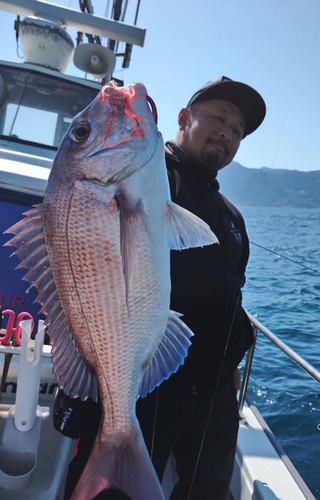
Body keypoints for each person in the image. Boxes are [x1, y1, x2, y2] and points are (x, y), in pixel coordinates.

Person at [55, 76, 266, 500]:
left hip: (216, 396)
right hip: (151, 386)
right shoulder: (151, 174)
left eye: (238, 130)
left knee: (207, 491)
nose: (228, 132)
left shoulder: (231, 216)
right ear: (183, 118)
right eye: (219, 117)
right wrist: (121, 115)